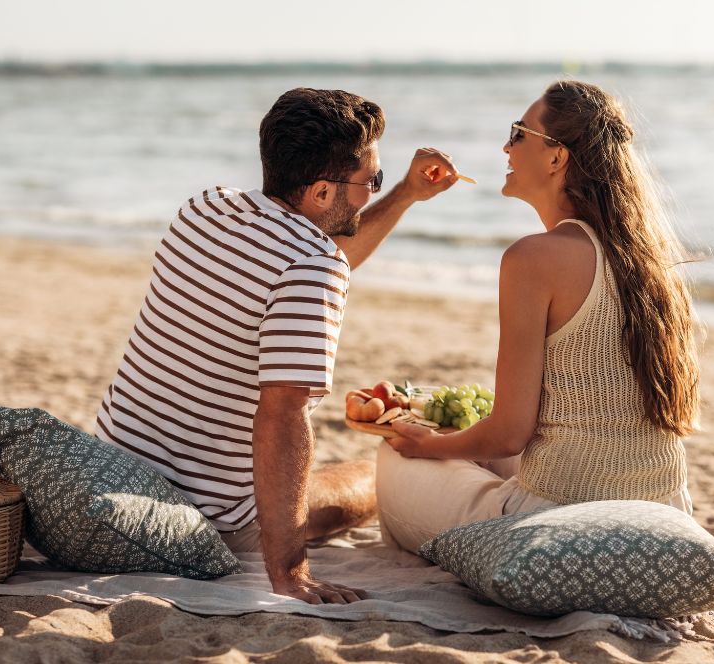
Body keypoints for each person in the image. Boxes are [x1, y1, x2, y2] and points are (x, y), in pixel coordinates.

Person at [95, 88, 462, 603]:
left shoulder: (205, 208)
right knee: (375, 478)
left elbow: (306, 251)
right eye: (370, 181)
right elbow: (284, 417)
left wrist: (403, 192)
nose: (371, 190)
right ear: (318, 192)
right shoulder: (315, 267)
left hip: (114, 467)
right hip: (209, 514)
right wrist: (291, 573)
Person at [377, 80, 701, 553]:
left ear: (556, 157)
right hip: (665, 513)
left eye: (518, 133)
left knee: (394, 457)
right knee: (473, 454)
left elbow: (509, 434)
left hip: (553, 522)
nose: (505, 146)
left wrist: (424, 446)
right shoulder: (653, 261)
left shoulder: (533, 259)